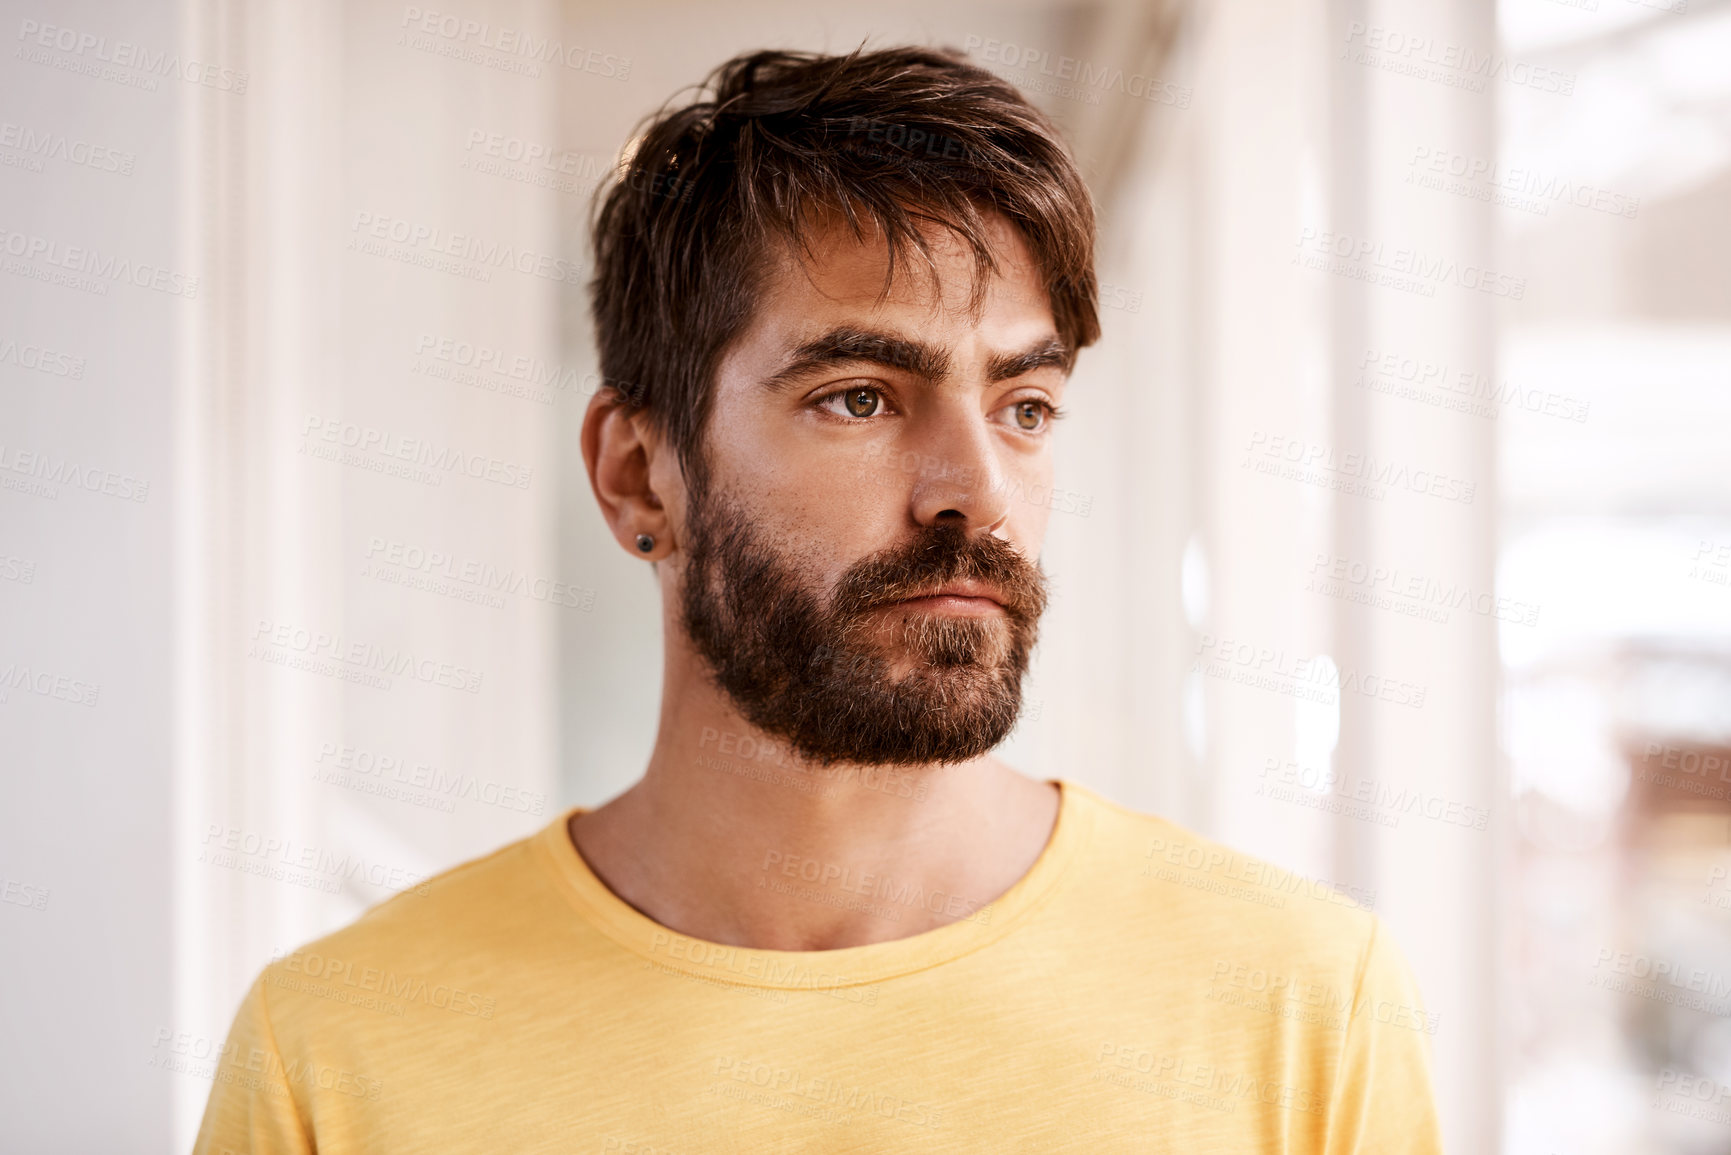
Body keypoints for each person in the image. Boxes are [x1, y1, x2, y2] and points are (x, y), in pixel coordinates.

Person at [194, 46, 1444, 1152]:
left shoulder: (1302, 1006)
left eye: (1025, 408)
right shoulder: (339, 1055)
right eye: (860, 395)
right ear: (639, 475)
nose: (977, 495)